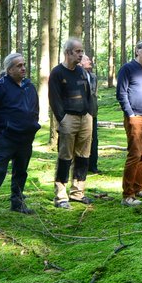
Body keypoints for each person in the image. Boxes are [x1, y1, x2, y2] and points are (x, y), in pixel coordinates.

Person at [0, 52, 41, 220]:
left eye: (24, 65)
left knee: (21, 172)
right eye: (19, 66)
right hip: (5, 139)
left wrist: (33, 126)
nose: (23, 68)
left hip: (25, 139)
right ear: (9, 69)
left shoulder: (29, 86)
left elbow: (34, 109)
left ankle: (18, 203)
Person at [49, 37, 95, 208]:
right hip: (68, 119)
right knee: (65, 157)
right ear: (67, 52)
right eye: (77, 51)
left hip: (85, 119)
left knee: (83, 157)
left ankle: (77, 192)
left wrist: (89, 114)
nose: (81, 54)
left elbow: (89, 95)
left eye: (81, 51)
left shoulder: (82, 72)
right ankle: (60, 196)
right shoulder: (57, 73)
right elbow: (54, 99)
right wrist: (62, 118)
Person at [116, 40, 142, 207]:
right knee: (134, 154)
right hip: (135, 118)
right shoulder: (127, 69)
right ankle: (127, 195)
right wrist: (131, 114)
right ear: (137, 51)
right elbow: (121, 93)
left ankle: (138, 188)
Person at [82, 54, 101, 174]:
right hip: (83, 114)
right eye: (87, 59)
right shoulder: (77, 75)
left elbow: (94, 93)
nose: (90, 61)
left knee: (94, 140)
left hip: (93, 113)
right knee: (84, 141)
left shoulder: (93, 76)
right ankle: (83, 165)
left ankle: (93, 165)